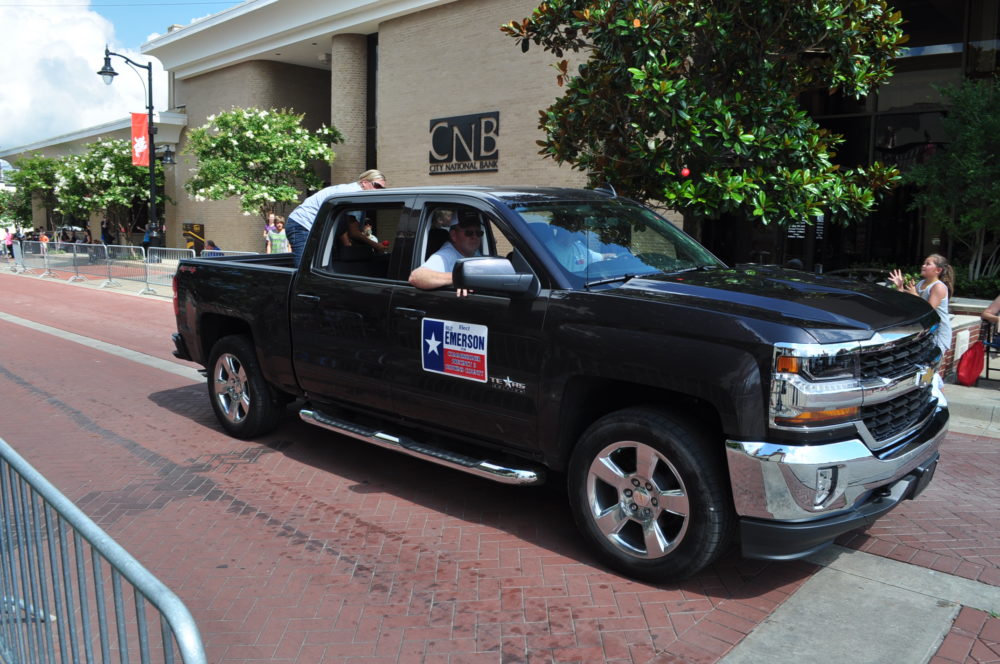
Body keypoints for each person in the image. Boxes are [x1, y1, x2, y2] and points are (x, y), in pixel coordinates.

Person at [285, 169, 388, 266]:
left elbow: (341, 226)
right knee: (305, 267)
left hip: (311, 227)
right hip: (302, 225)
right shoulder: (355, 195)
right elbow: (354, 232)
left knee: (320, 266)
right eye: (376, 185)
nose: (379, 190)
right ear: (364, 182)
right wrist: (376, 246)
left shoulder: (351, 190)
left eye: (382, 188)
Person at [889, 254, 954, 353]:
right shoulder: (921, 283)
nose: (923, 265)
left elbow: (929, 310)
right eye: (924, 263)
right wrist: (900, 287)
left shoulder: (938, 287)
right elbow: (909, 303)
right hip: (924, 329)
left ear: (938, 270)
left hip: (938, 331)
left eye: (928, 264)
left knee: (932, 363)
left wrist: (915, 295)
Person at [408, 215, 484, 297]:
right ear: (453, 235)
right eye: (469, 233)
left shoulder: (474, 253)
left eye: (478, 233)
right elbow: (416, 277)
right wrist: (459, 278)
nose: (475, 237)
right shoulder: (445, 255)